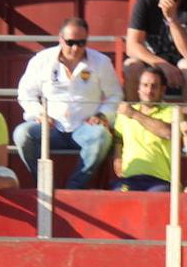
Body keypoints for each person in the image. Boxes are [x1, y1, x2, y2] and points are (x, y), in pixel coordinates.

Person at [13, 17, 121, 189]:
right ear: (60, 39)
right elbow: (25, 93)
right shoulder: (42, 60)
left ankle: (74, 188)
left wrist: (101, 115)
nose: (76, 48)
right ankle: (45, 185)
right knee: (21, 134)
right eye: (70, 42)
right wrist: (39, 113)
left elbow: (115, 95)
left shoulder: (101, 62)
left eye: (81, 42)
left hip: (85, 127)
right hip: (51, 127)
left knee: (101, 136)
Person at [111, 68, 173, 192]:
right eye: (145, 85)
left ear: (163, 90)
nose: (149, 90)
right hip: (129, 178)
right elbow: (118, 138)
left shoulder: (172, 110)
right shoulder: (124, 113)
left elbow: (168, 132)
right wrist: (117, 158)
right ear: (138, 88)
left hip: (160, 180)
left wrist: (134, 114)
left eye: (154, 86)